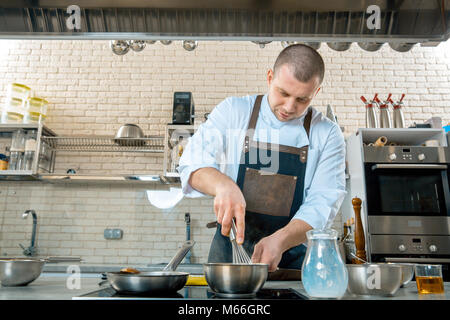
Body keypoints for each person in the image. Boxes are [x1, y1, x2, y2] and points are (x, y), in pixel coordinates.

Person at [177, 44, 346, 272]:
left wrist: (281, 240)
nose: (289, 107)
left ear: (315, 93)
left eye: (302, 100)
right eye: (283, 93)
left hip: (291, 260)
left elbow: (322, 203)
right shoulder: (233, 112)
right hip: (229, 255)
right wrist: (223, 185)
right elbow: (192, 163)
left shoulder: (327, 134)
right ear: (269, 77)